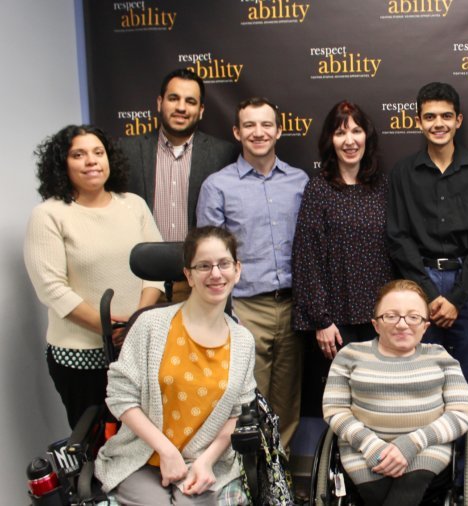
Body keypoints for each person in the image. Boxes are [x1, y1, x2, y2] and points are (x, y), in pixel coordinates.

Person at [94, 226, 256, 504]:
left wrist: (206, 462)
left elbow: (237, 414)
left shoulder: (243, 341)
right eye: (203, 265)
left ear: (237, 270)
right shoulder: (150, 325)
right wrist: (167, 452)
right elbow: (121, 398)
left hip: (207, 462)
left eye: (224, 264)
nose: (216, 274)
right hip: (142, 458)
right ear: (188, 275)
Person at [24, 125, 164, 429]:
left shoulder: (133, 205)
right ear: (63, 164)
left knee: (142, 439)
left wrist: (134, 324)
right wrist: (110, 327)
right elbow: (52, 289)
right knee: (94, 447)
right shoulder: (49, 214)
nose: (91, 161)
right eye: (79, 154)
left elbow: (155, 274)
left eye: (98, 153)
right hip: (80, 357)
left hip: (134, 344)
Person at [197, 97, 309, 449]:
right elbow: (209, 259)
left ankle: (280, 476)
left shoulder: (299, 181)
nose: (258, 132)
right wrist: (225, 311)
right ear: (237, 132)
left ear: (279, 130)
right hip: (245, 307)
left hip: (293, 306)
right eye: (249, 125)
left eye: (266, 125)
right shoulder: (218, 186)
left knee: (287, 399)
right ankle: (249, 478)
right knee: (245, 400)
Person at [322, 279, 468, 506]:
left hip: (426, 449)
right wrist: (371, 445)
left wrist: (411, 443)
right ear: (376, 324)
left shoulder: (440, 357)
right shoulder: (349, 356)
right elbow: (335, 410)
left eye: (414, 317)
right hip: (363, 449)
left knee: (409, 487)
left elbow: (463, 411)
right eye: (391, 316)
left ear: (425, 326)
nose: (402, 324)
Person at [386, 82, 468, 396]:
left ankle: (463, 446)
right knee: (421, 377)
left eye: (446, 116)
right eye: (430, 117)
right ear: (418, 122)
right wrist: (431, 294)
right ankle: (426, 446)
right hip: (420, 285)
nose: (438, 124)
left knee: (465, 377)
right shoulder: (403, 173)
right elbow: (399, 237)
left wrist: (456, 297)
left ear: (458, 120)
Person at [120, 68, 238, 302]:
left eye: (190, 101)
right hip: (140, 284)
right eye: (174, 98)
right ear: (159, 102)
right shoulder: (126, 151)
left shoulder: (225, 154)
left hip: (198, 283)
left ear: (201, 110)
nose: (181, 107)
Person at [292, 100, 392, 360]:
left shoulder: (383, 187)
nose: (350, 141)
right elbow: (307, 258)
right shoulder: (318, 189)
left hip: (380, 318)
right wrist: (321, 320)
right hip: (335, 324)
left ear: (366, 137)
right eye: (340, 133)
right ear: (330, 141)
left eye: (356, 131)